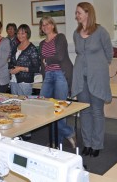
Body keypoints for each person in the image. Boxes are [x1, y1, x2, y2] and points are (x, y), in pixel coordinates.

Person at [72, 2, 113, 158]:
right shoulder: (76, 34)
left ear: (88, 14)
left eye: (79, 12)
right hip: (80, 78)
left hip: (97, 77)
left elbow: (109, 54)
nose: (77, 15)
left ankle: (97, 144)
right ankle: (87, 143)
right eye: (76, 13)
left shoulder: (101, 31)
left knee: (97, 111)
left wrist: (98, 67)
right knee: (85, 111)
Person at [39, 16, 75, 148]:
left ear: (53, 25)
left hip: (60, 75)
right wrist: (45, 73)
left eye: (48, 24)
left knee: (59, 110)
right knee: (45, 107)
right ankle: (69, 132)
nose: (45, 26)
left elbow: (59, 56)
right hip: (48, 76)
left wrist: (47, 60)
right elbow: (42, 64)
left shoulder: (60, 37)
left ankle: (56, 142)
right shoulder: (42, 43)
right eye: (43, 25)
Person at [9, 24, 39, 96]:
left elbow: (36, 68)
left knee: (24, 103)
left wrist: (20, 69)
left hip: (25, 82)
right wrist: (10, 69)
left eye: (22, 33)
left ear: (27, 34)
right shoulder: (15, 47)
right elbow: (11, 63)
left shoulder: (32, 49)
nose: (20, 35)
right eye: (18, 33)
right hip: (13, 80)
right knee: (14, 104)